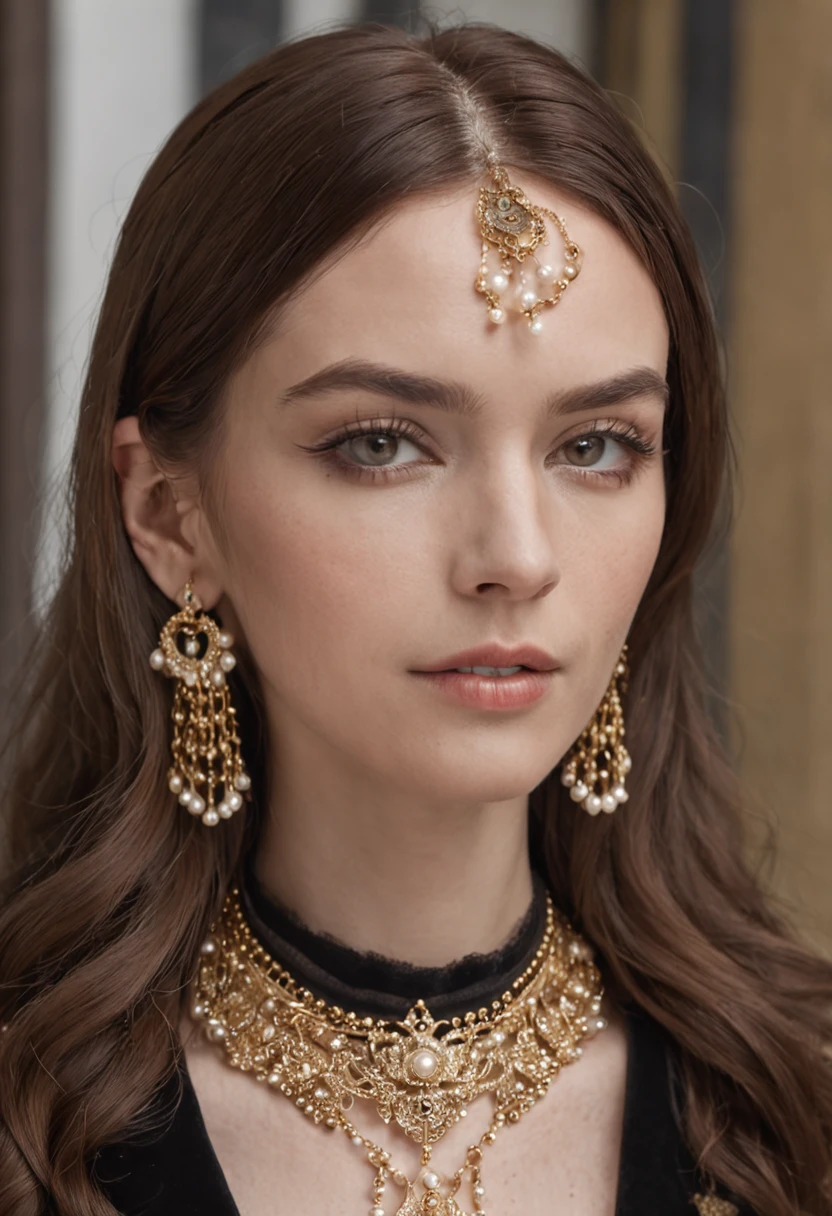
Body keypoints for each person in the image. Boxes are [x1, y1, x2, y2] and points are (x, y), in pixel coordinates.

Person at [1, 19, 830, 1216]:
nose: (516, 556)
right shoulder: (33, 1140)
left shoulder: (784, 1125)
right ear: (171, 512)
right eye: (382, 444)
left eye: (594, 447)